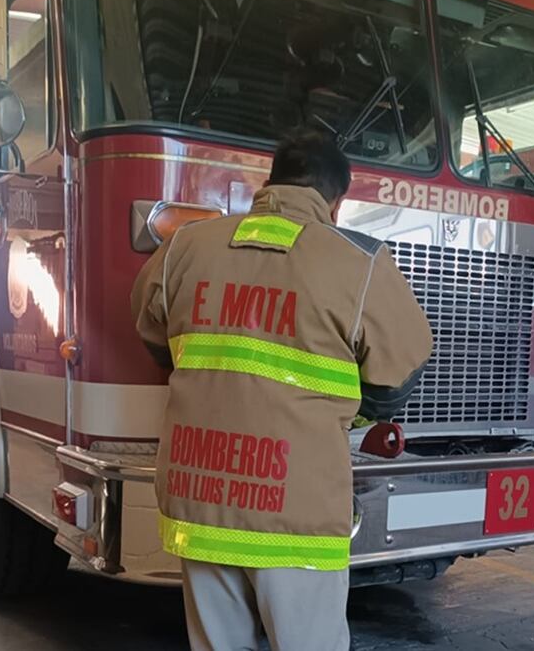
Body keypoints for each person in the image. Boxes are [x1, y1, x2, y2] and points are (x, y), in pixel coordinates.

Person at [130, 129, 433, 651]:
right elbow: (395, 380)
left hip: (202, 499)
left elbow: (153, 336)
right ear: (334, 203)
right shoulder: (358, 264)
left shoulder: (184, 246)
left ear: (269, 183)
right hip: (297, 514)